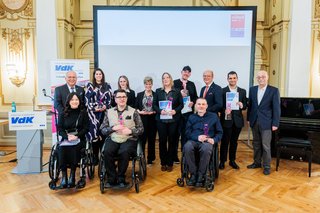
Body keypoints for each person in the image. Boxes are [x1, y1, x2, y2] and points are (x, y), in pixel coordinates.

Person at [100, 89, 144, 187]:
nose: (121, 99)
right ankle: (111, 178)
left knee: (124, 151)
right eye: (119, 97)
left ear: (127, 98)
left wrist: (131, 131)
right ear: (115, 99)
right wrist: (112, 128)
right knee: (107, 151)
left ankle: (121, 177)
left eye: (124, 97)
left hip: (129, 138)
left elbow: (141, 129)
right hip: (113, 137)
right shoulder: (109, 112)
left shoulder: (134, 112)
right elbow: (102, 129)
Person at [247, 70, 280, 175]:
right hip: (254, 121)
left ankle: (267, 166)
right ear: (257, 78)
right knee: (256, 144)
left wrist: (275, 123)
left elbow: (276, 108)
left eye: (263, 76)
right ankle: (257, 162)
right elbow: (250, 106)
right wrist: (248, 119)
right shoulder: (252, 90)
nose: (261, 78)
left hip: (267, 122)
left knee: (265, 145)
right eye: (259, 77)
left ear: (267, 77)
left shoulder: (274, 90)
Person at [184, 98, 223, 186]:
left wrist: (214, 139)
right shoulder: (191, 117)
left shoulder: (213, 116)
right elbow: (187, 132)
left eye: (203, 104)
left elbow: (220, 132)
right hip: (194, 140)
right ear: (196, 106)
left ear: (206, 106)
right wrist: (197, 137)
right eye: (199, 104)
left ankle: (201, 175)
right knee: (187, 146)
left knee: (206, 148)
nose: (201, 106)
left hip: (207, 141)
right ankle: (193, 174)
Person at [57, 92, 89, 188]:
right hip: (66, 139)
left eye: (76, 100)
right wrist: (67, 137)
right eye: (72, 100)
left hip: (79, 138)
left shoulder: (83, 113)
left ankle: (72, 176)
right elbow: (60, 129)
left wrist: (77, 136)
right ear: (69, 101)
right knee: (61, 149)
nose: (74, 102)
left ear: (79, 101)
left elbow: (86, 128)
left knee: (75, 148)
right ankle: (64, 177)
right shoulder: (63, 113)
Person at [153, 72, 183, 172]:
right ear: (162, 80)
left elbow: (181, 105)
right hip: (161, 120)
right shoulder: (158, 91)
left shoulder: (177, 91)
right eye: (163, 78)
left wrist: (175, 111)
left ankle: (170, 163)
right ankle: (163, 162)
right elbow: (154, 105)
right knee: (162, 141)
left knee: (172, 141)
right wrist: (160, 111)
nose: (165, 79)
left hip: (173, 120)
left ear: (171, 79)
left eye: (167, 77)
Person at [219, 71, 247, 170]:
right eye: (230, 78)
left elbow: (245, 106)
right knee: (225, 141)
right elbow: (219, 106)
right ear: (227, 79)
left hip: (237, 121)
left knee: (234, 142)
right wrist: (224, 110)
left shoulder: (242, 91)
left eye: (234, 78)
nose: (232, 80)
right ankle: (222, 161)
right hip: (226, 119)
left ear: (237, 78)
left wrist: (242, 105)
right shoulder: (222, 91)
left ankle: (232, 160)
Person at [85, 68, 113, 165]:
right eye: (96, 74)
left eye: (100, 74)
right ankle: (95, 157)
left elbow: (110, 100)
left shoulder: (107, 85)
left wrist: (105, 106)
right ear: (94, 75)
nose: (98, 75)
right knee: (94, 136)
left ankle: (104, 156)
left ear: (102, 75)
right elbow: (87, 101)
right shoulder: (90, 85)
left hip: (104, 114)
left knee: (104, 134)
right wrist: (94, 108)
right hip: (93, 116)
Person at [173, 65, 198, 164]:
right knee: (175, 135)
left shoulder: (191, 84)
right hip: (177, 113)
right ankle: (174, 156)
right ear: (181, 72)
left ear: (190, 74)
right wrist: (179, 93)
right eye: (185, 71)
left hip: (188, 114)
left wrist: (193, 102)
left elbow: (195, 96)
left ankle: (184, 154)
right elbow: (171, 96)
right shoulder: (174, 83)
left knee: (185, 135)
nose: (186, 73)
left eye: (188, 72)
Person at [135, 76, 157, 165]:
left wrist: (154, 111)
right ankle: (141, 157)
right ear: (144, 84)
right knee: (142, 139)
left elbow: (158, 107)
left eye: (149, 84)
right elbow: (136, 107)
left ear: (152, 84)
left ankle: (150, 159)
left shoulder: (156, 94)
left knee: (151, 139)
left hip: (153, 119)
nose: (148, 85)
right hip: (142, 119)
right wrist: (140, 112)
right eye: (146, 84)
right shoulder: (140, 94)